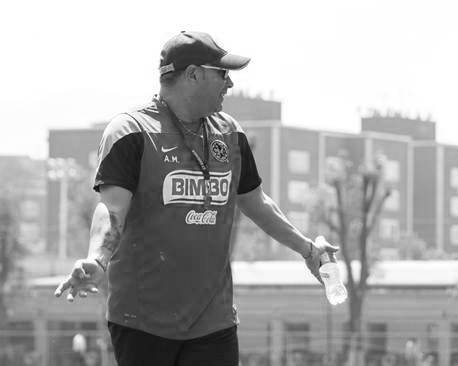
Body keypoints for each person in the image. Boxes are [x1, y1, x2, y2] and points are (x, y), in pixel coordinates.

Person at [54, 31, 338, 366]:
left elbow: (256, 201)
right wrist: (97, 259)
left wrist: (307, 249)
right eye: (223, 74)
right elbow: (112, 209)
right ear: (193, 75)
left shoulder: (230, 133)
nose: (229, 84)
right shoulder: (130, 131)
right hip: (141, 319)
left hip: (213, 321)